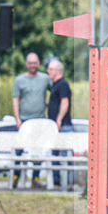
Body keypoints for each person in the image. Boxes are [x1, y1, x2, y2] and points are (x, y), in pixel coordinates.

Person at [12, 52, 51, 185]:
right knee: (19, 150)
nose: (32, 65)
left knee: (37, 151)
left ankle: (35, 177)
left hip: (40, 120)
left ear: (38, 63)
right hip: (24, 120)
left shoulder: (45, 79)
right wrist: (17, 119)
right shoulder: (19, 80)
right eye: (30, 63)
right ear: (26, 64)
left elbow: (55, 91)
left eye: (35, 63)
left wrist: (50, 105)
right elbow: (16, 99)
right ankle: (16, 176)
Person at [47, 59, 74, 188]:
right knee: (55, 155)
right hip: (56, 126)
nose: (48, 72)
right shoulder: (55, 85)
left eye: (51, 69)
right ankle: (57, 181)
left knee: (65, 155)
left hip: (62, 126)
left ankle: (68, 183)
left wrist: (59, 119)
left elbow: (65, 102)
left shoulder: (63, 84)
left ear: (58, 71)